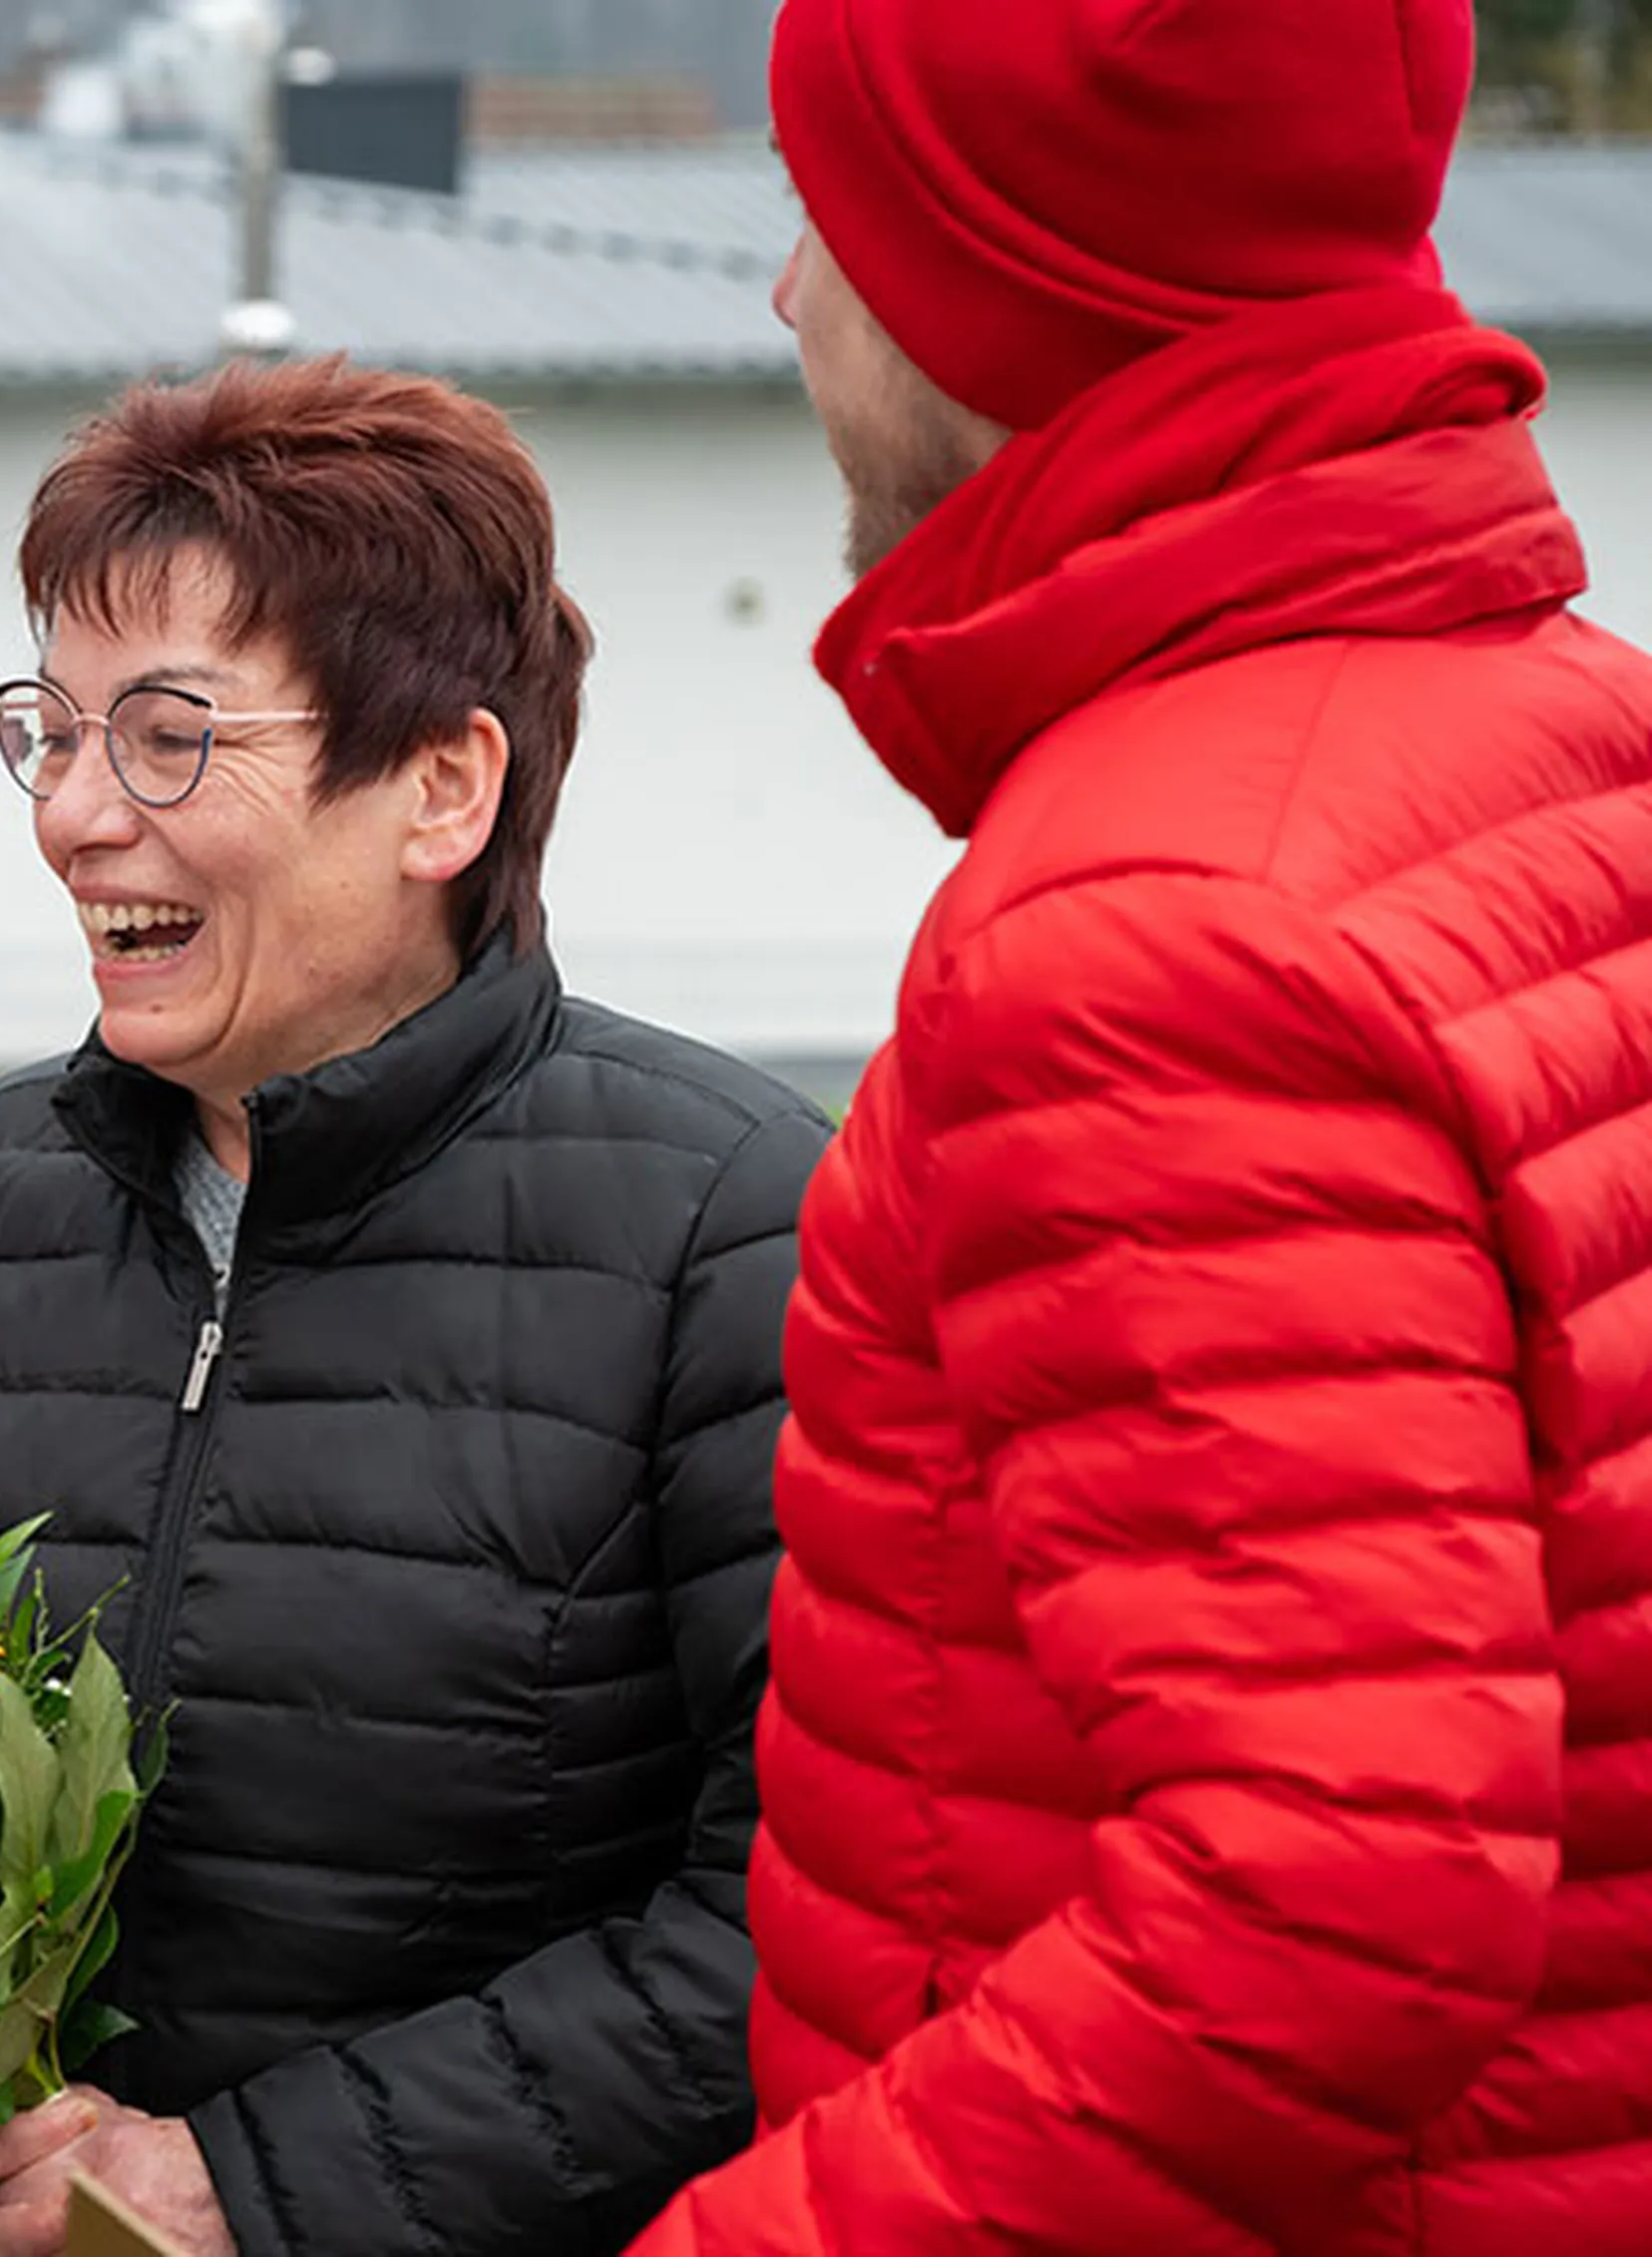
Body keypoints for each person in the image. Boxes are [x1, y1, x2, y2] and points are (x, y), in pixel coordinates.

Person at [628, 3, 1652, 2250]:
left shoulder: (1148, 936)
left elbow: (1332, 1895)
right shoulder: (1574, 734)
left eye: (833, 225)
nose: (790, 295)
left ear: (1006, 294)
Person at [0, 357, 832, 2257]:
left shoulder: (733, 1233)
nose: (76, 817)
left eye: (173, 737)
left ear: (442, 784)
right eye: (53, 729)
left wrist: (251, 2191)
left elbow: (806, 1914)